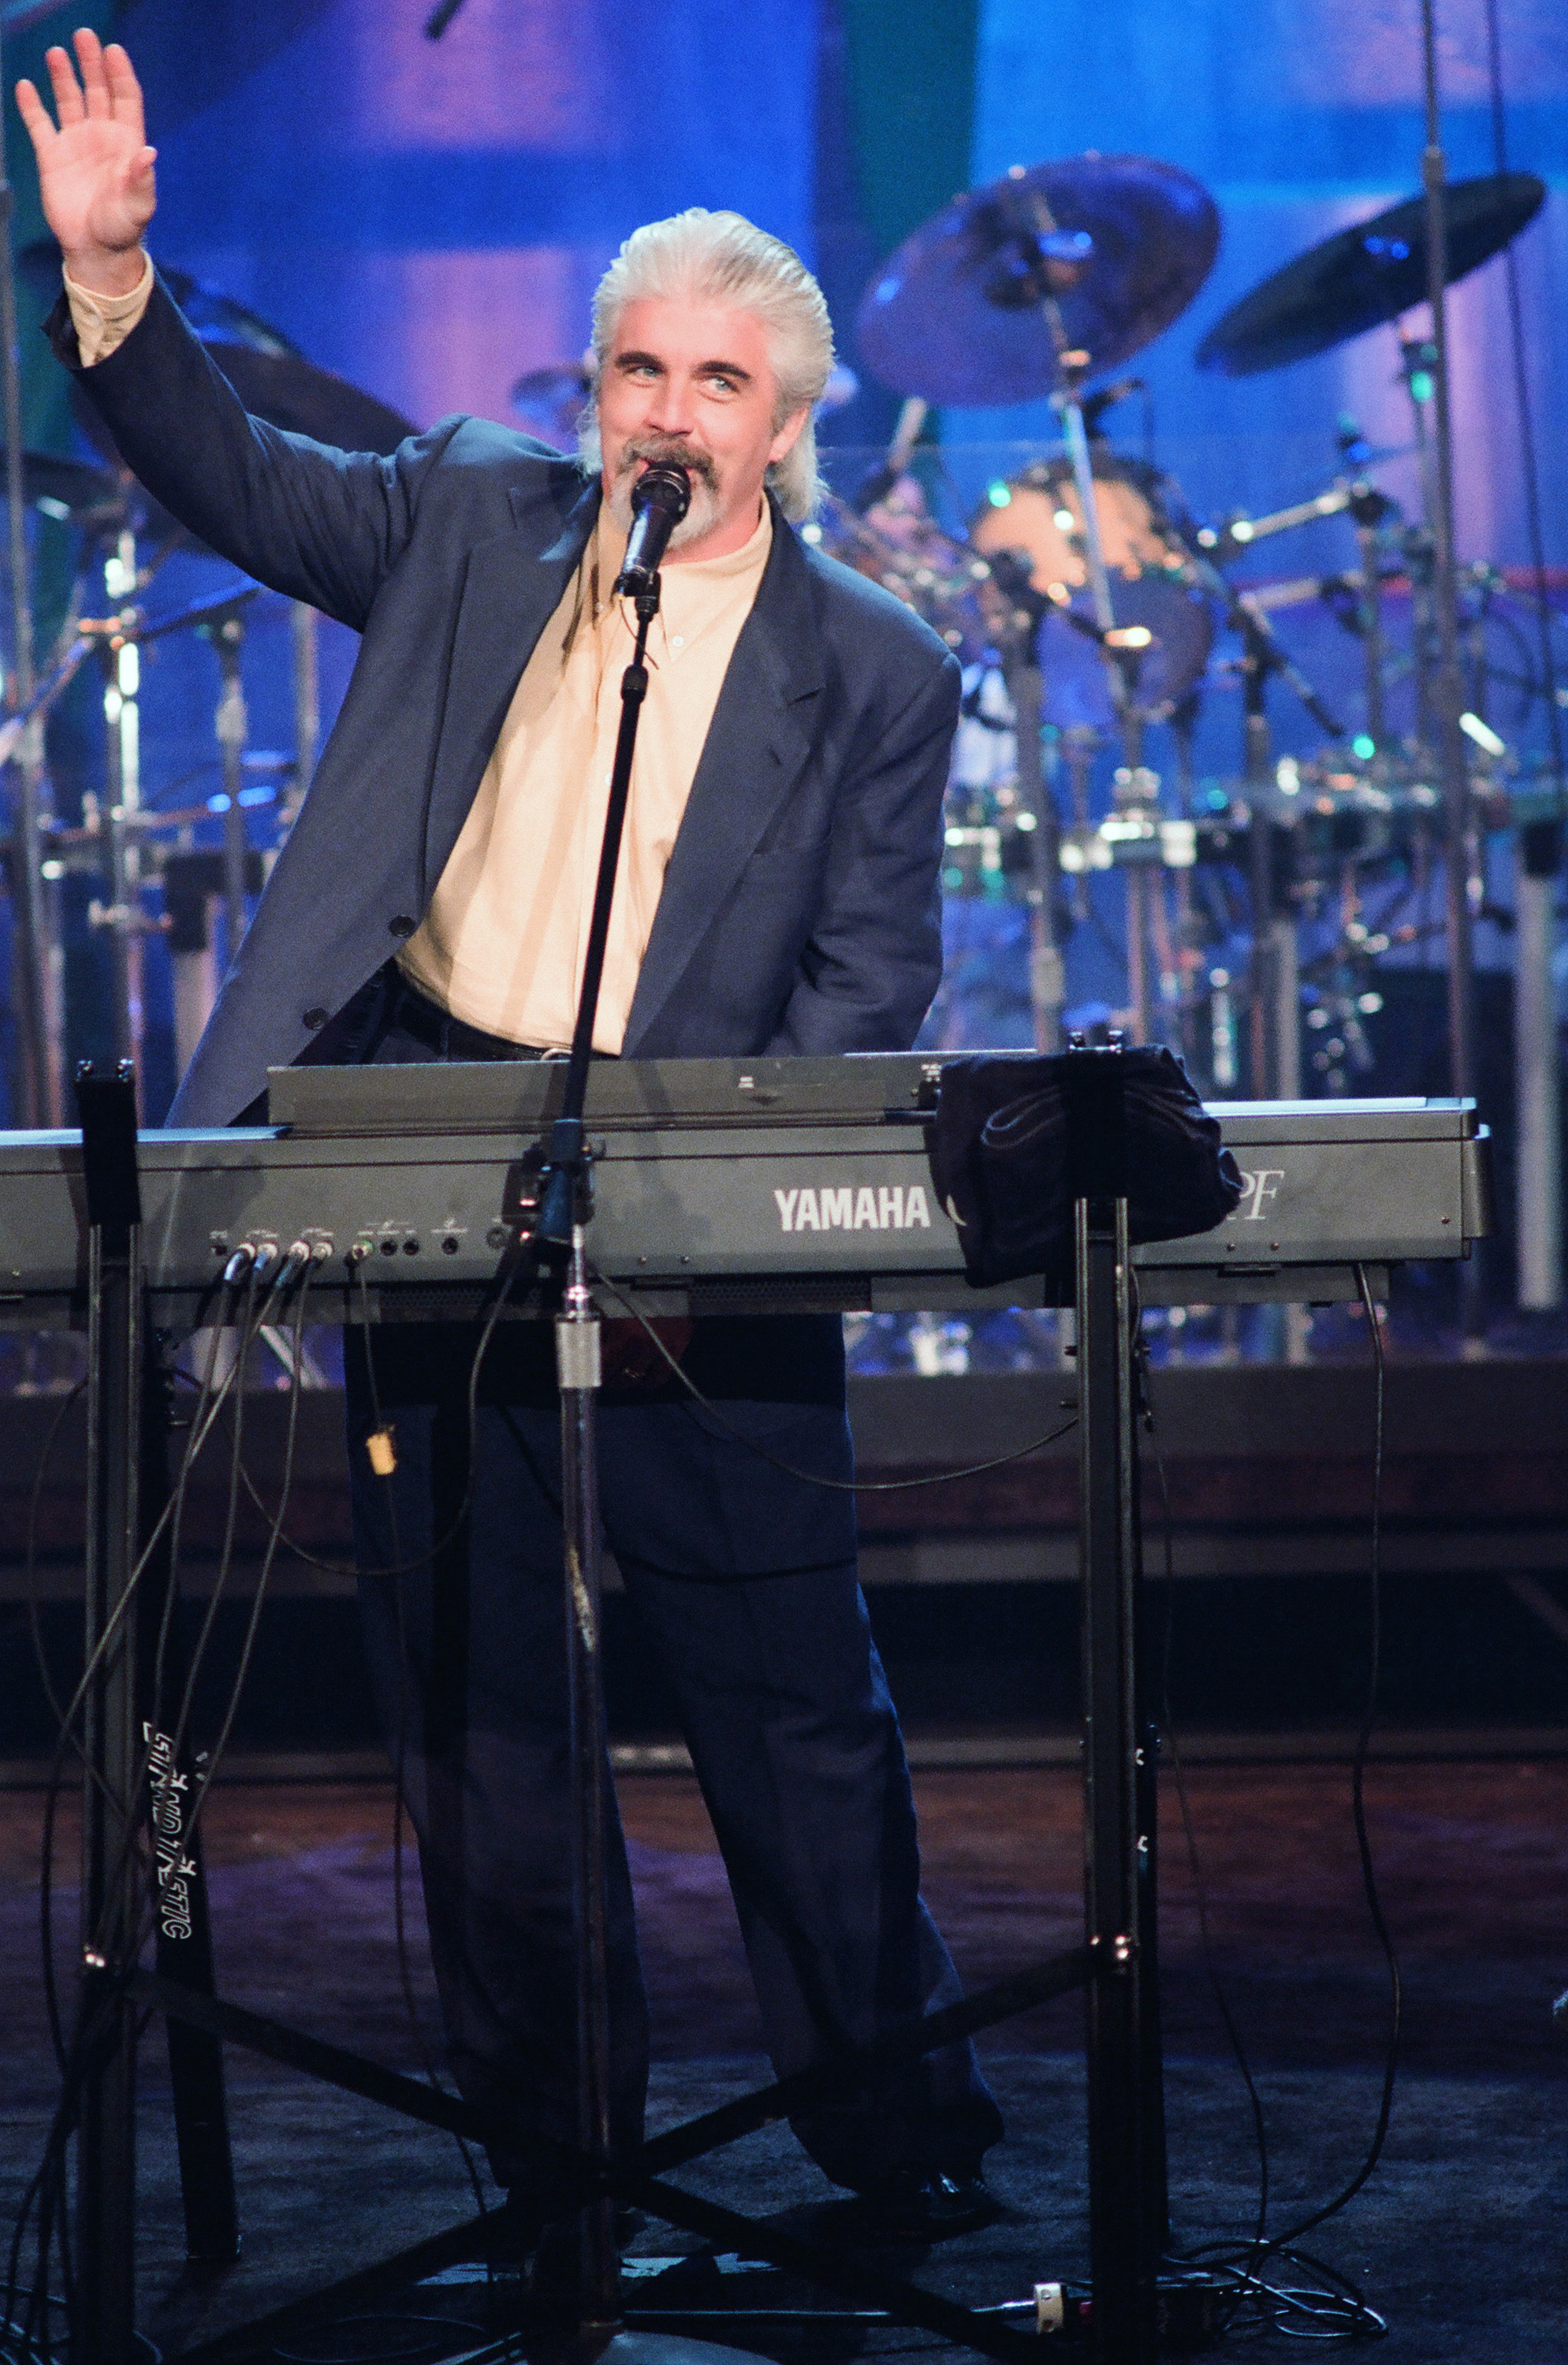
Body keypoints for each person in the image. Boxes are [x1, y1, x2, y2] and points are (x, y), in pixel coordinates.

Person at [18, 30, 1004, 2245]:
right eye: (640, 368)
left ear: (788, 420)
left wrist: (725, 1230)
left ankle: (900, 2135)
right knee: (483, 1722)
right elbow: (240, 478)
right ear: (596, 387)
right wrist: (113, 280)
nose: (670, 411)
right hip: (438, 1156)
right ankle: (560, 2153)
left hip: (703, 1211)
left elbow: (869, 981)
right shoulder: (474, 510)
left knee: (792, 1713)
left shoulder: (875, 666)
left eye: (718, 382)